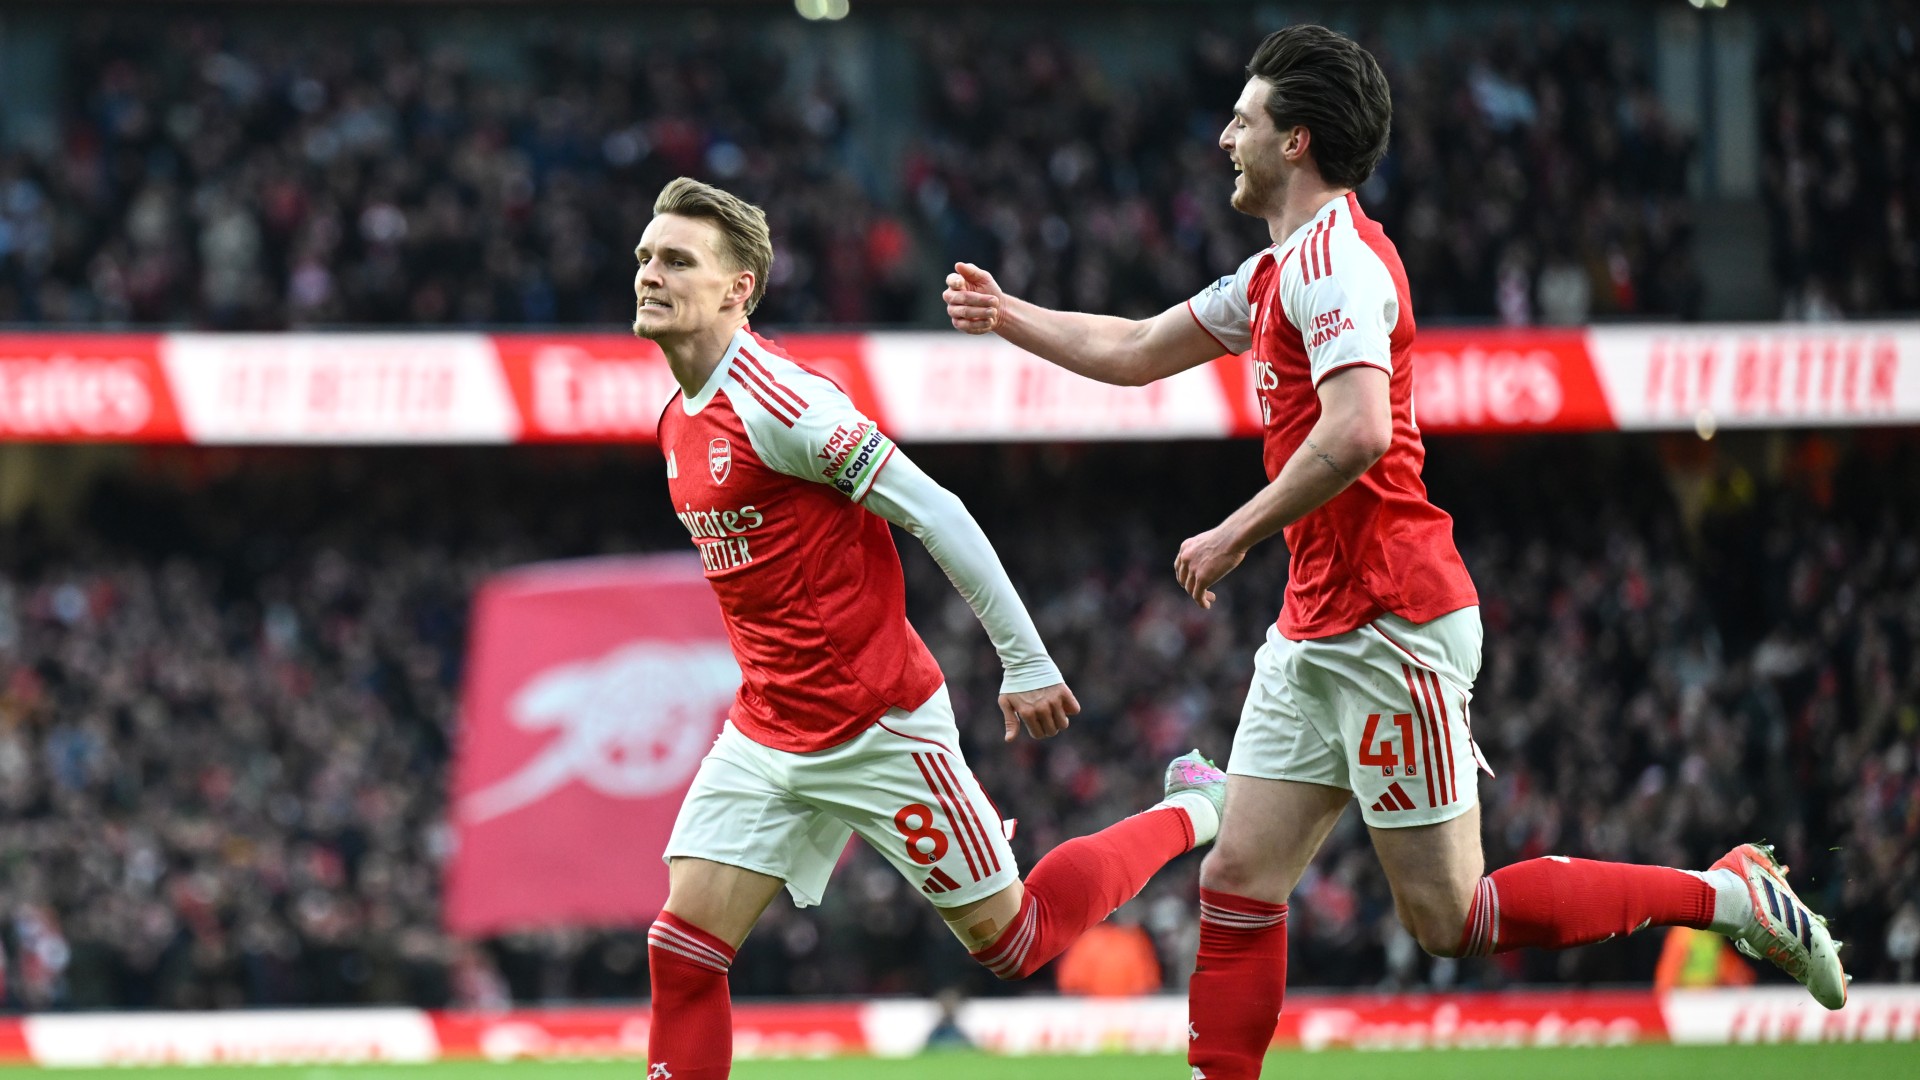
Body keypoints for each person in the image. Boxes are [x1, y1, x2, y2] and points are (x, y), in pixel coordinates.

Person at [942, 24, 1846, 1079]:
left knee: (1452, 918)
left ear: (1295, 141)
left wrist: (1237, 530)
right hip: (1315, 625)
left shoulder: (1337, 263)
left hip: (1391, 619)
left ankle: (1729, 896)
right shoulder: (1275, 271)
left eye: (1243, 119)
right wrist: (1007, 314)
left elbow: (1361, 428)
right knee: (1237, 882)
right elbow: (1140, 348)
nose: (1225, 138)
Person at [638, 177, 1226, 1080]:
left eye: (678, 260)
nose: (650, 273)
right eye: (647, 256)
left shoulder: (782, 405)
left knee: (1016, 941)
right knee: (682, 952)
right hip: (765, 730)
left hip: (876, 725)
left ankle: (1195, 809)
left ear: (737, 289)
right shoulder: (676, 419)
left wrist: (1026, 661)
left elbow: (936, 510)